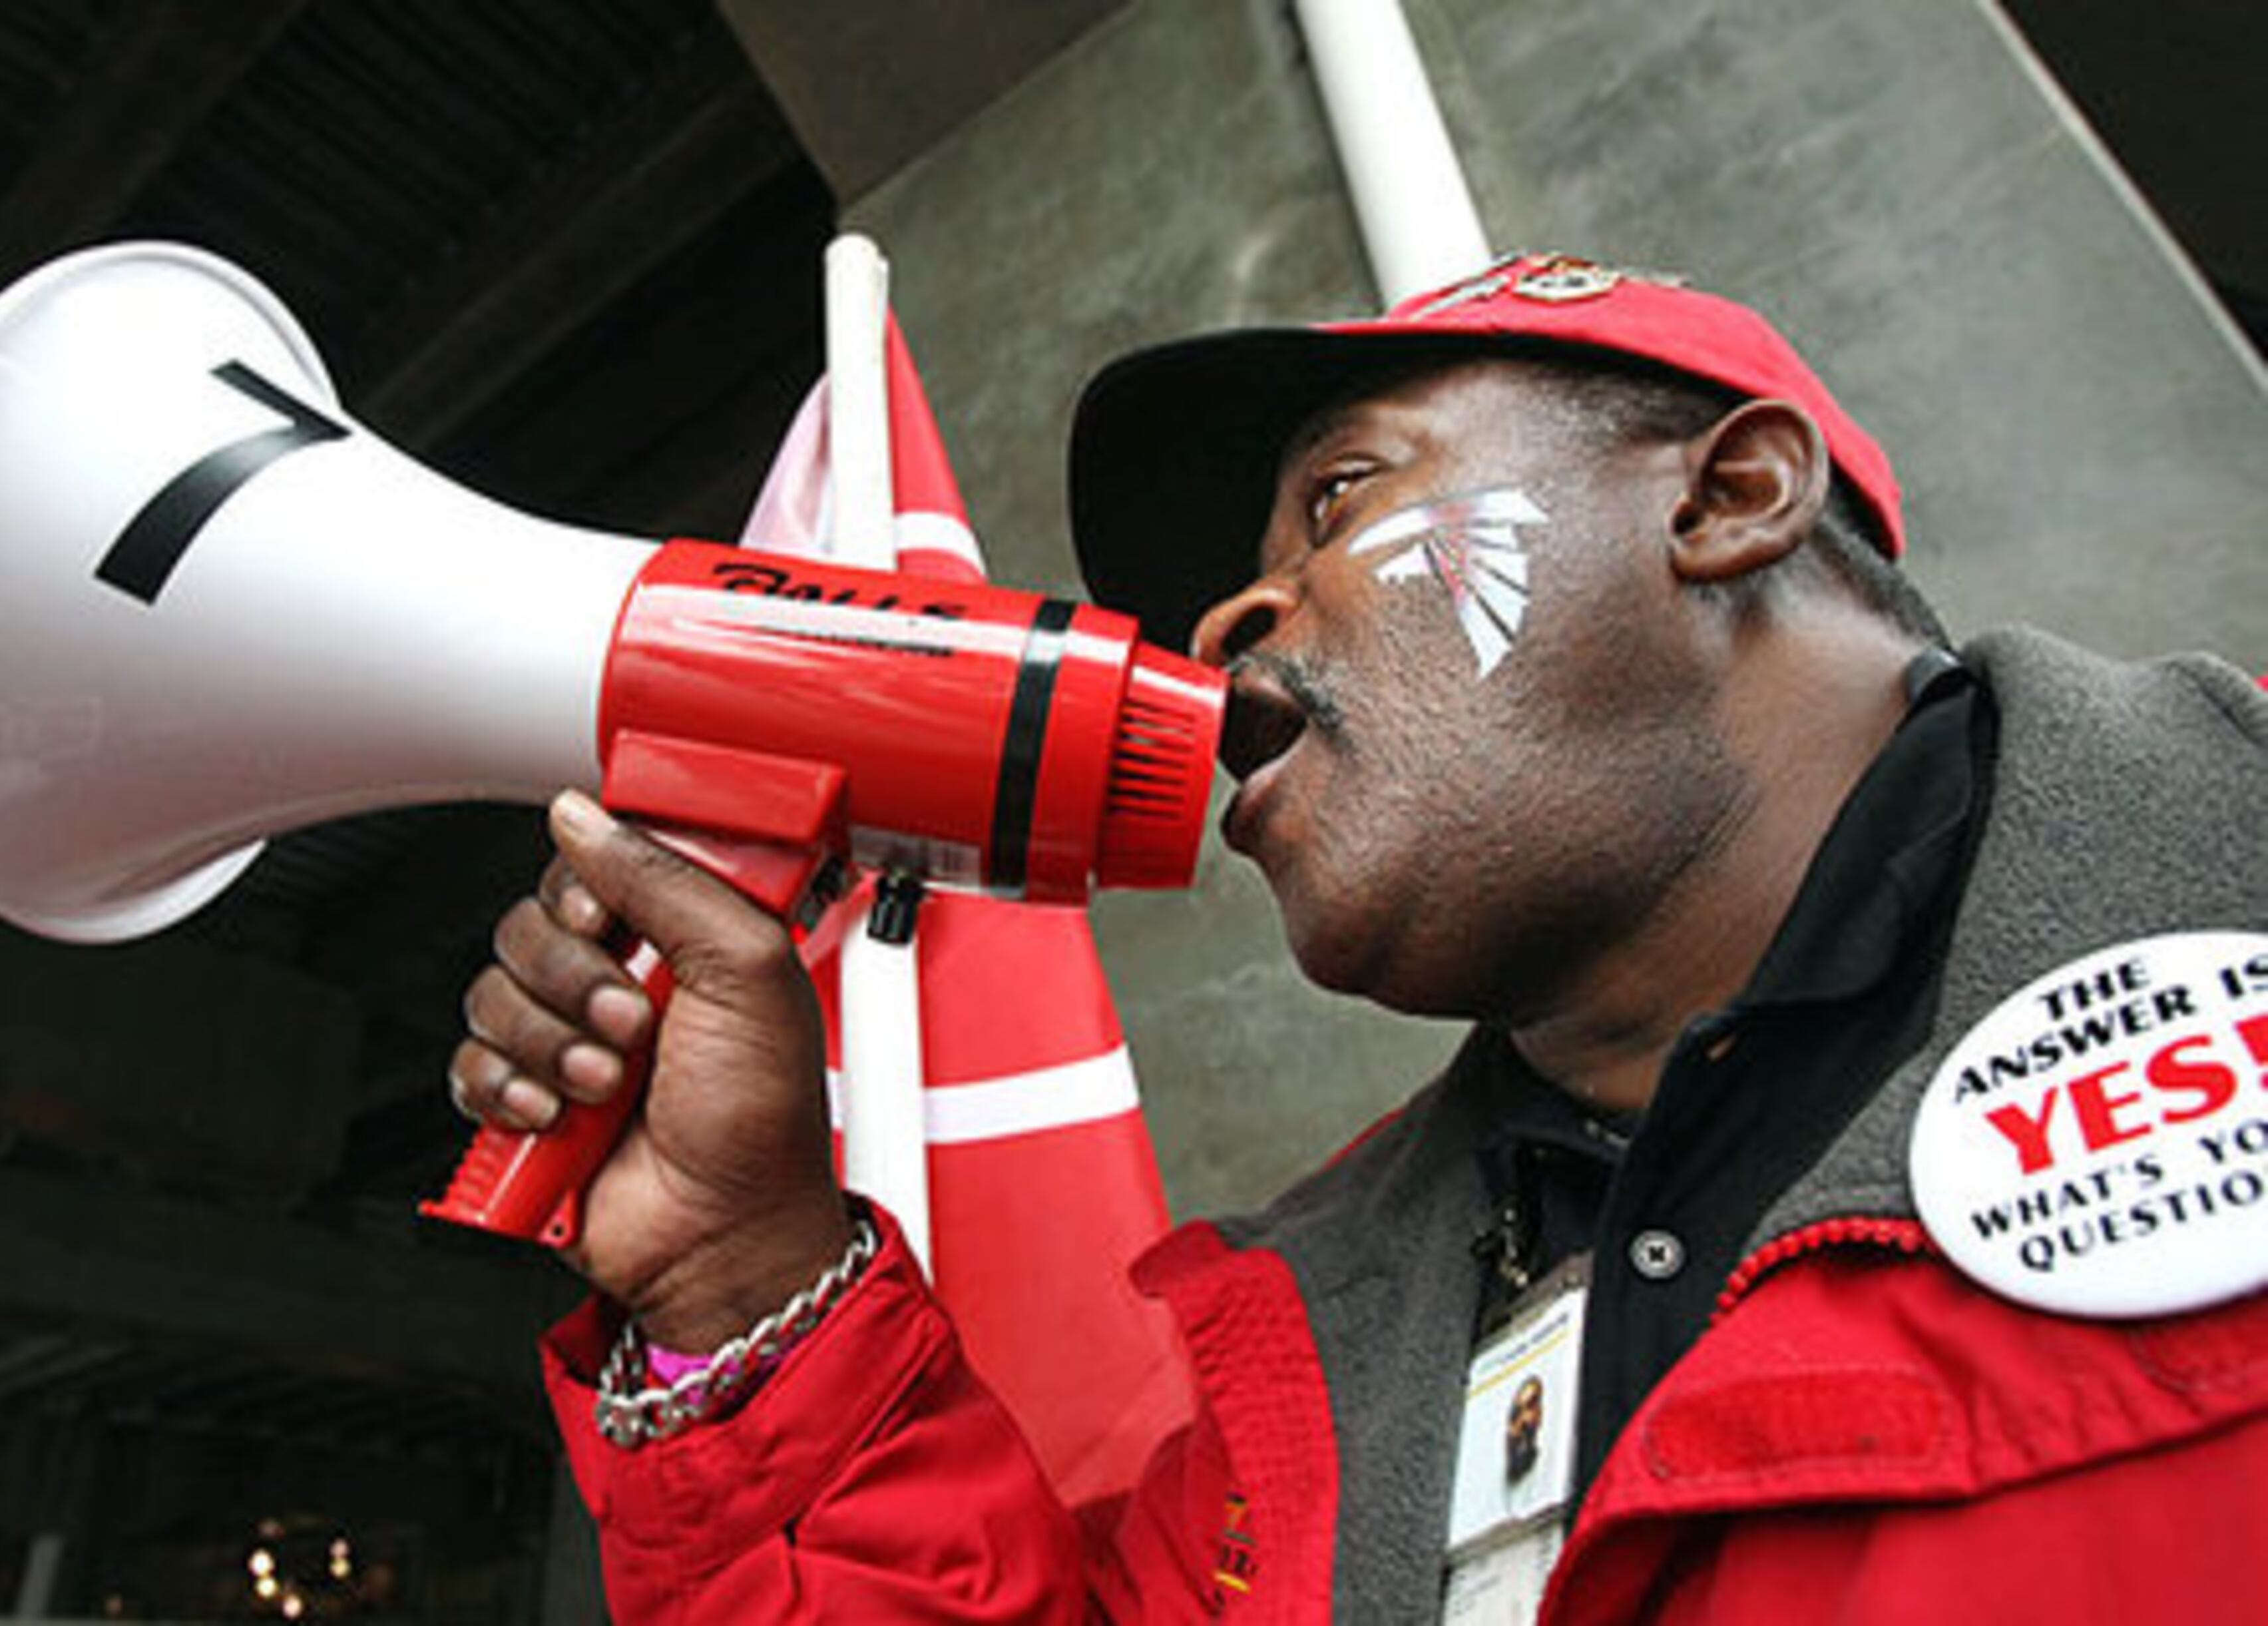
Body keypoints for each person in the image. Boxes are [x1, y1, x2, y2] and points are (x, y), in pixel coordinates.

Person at [447, 252, 2268, 1621]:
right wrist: (739, 1275)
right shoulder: (1299, 1379)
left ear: (1728, 501)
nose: (1226, 616)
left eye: (1340, 498)